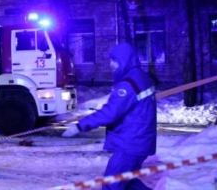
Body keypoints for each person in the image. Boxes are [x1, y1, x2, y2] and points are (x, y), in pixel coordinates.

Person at [62, 42, 156, 190]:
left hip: (130, 143)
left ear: (124, 60)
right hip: (139, 140)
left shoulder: (128, 84)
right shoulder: (141, 77)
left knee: (111, 185)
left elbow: (110, 113)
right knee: (127, 183)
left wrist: (80, 126)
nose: (111, 64)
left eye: (114, 60)